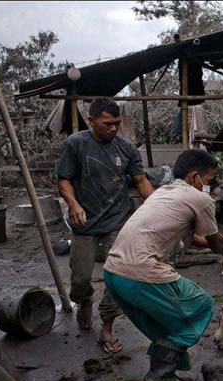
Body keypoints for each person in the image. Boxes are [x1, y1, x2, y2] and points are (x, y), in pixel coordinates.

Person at [103, 150, 223, 381]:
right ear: (193, 176)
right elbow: (214, 240)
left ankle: (164, 375)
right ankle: (159, 375)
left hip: (114, 273)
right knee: (202, 306)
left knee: (166, 322)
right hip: (140, 273)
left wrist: (220, 245)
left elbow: (196, 239)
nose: (209, 186)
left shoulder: (162, 194)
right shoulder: (200, 199)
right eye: (208, 180)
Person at [57, 98, 154, 354]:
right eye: (107, 123)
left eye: (117, 123)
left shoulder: (126, 148)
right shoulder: (76, 144)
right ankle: (85, 299)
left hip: (117, 221)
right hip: (85, 222)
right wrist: (73, 204)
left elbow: (141, 181)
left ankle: (107, 327)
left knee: (118, 277)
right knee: (79, 279)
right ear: (91, 121)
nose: (113, 128)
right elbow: (64, 180)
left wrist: (157, 206)